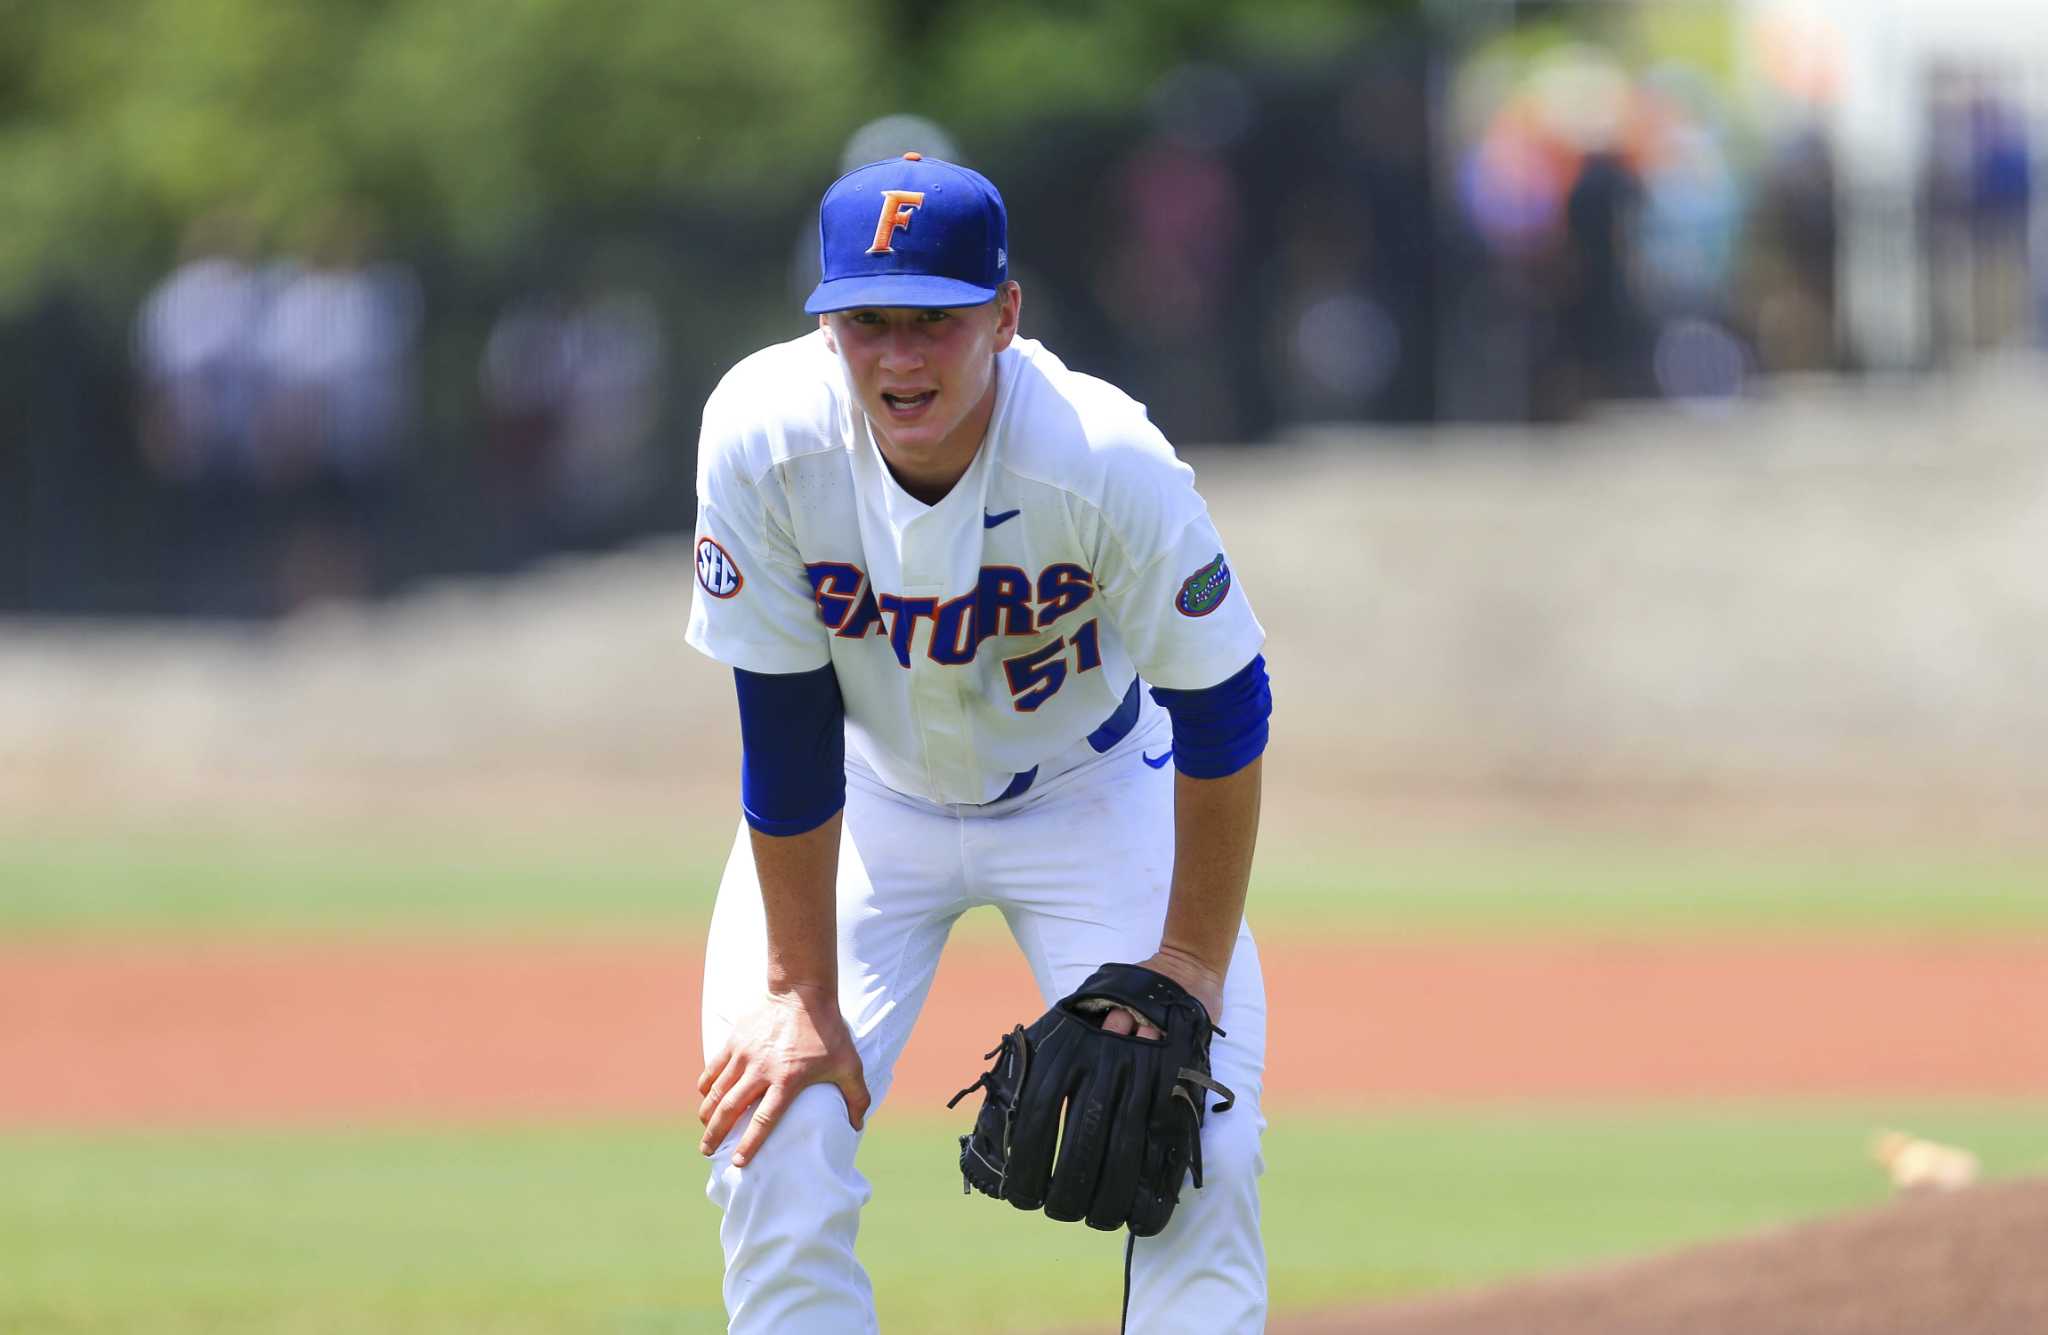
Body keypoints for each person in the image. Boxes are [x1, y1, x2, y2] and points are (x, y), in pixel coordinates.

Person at [685, 151, 1273, 1334]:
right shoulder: (761, 435)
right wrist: (798, 989)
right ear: (824, 325)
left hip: (1092, 793)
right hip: (869, 805)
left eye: (934, 323)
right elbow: (785, 728)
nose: (899, 358)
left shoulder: (1104, 460)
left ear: (1004, 316)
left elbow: (1224, 708)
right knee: (774, 1128)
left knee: (1199, 1137)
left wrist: (1188, 971)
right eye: (866, 323)